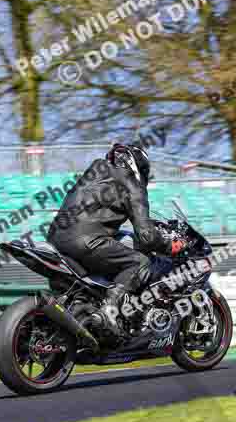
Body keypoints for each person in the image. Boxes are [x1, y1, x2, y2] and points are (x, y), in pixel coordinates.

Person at [46, 143, 186, 337]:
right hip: (85, 241)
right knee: (140, 262)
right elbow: (146, 235)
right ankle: (109, 311)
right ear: (137, 165)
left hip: (56, 239)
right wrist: (169, 244)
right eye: (144, 170)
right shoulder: (132, 184)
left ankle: (83, 310)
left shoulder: (94, 171)